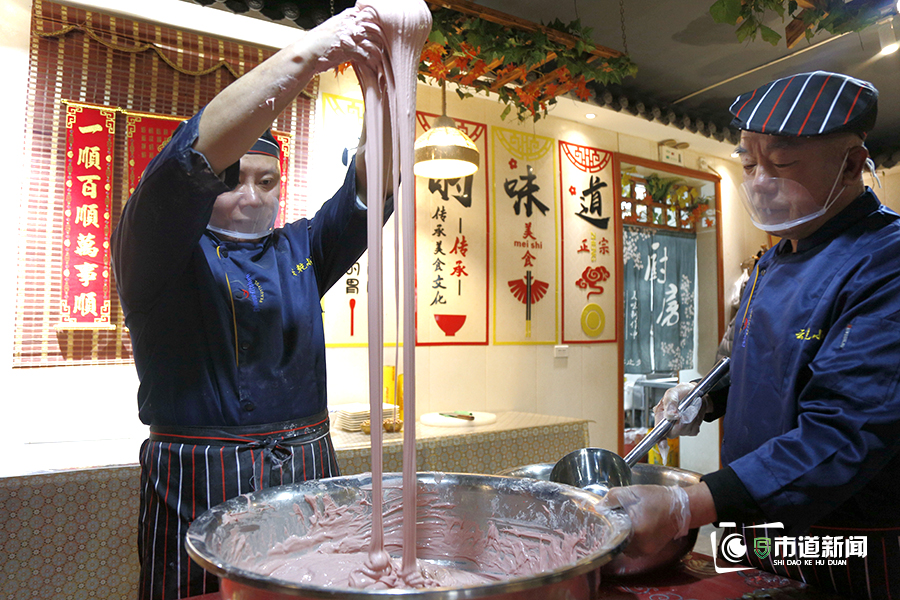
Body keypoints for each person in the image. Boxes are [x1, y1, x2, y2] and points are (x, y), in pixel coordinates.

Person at [110, 7, 391, 600]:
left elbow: (373, 184)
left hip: (308, 476)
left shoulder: (302, 246)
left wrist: (385, 87)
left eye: (267, 181)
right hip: (202, 479)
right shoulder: (160, 250)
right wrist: (312, 51)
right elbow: (185, 165)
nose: (252, 198)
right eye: (232, 180)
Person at [604, 71, 900, 599]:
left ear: (853, 164)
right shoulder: (774, 259)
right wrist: (701, 397)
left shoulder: (885, 261)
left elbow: (848, 429)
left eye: (782, 163)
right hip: (757, 526)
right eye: (748, 162)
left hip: (850, 538)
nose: (760, 180)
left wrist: (686, 504)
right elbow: (740, 358)